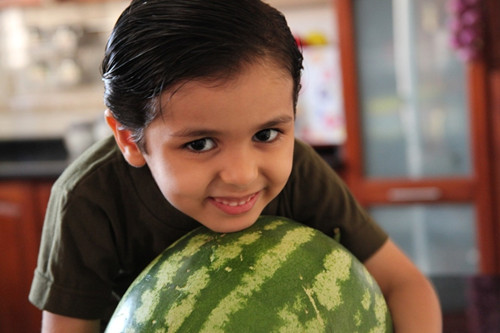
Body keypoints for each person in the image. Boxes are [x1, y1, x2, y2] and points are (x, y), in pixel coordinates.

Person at [29, 0, 442, 332]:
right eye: (200, 143)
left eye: (266, 135)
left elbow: (403, 283)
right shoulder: (87, 199)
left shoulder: (300, 169)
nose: (243, 174)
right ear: (128, 139)